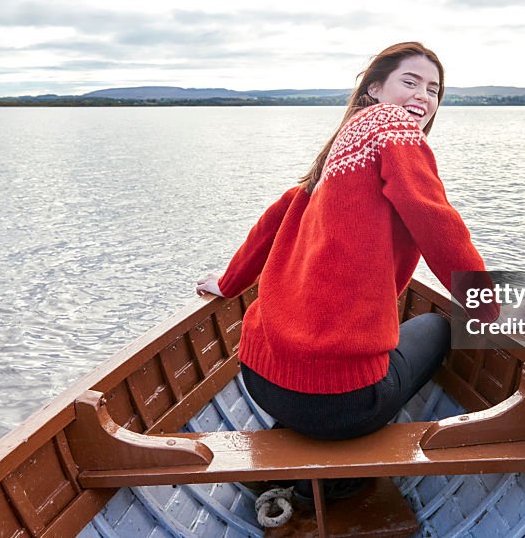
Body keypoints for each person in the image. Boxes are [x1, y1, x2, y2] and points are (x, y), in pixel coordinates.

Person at [195, 42, 497, 449]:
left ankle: (294, 437)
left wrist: (228, 283)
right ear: (374, 87)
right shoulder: (393, 127)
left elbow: (270, 223)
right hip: (344, 403)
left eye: (433, 90)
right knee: (439, 326)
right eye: (410, 82)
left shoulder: (335, 154)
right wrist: (486, 306)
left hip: (259, 379)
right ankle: (349, 468)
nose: (422, 97)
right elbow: (437, 222)